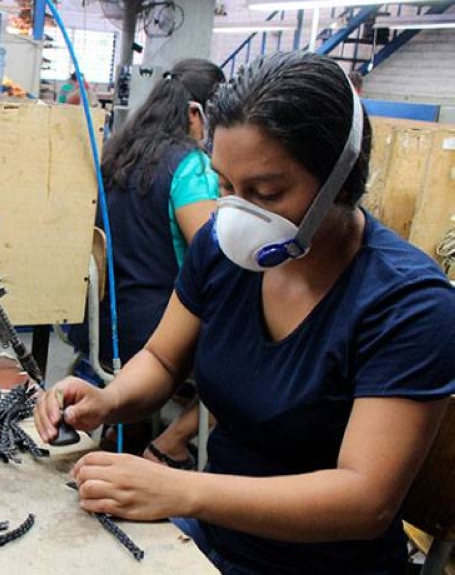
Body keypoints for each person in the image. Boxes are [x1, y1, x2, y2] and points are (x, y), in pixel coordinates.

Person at [36, 51, 455, 573]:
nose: (237, 213)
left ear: (342, 179)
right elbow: (164, 360)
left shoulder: (407, 304)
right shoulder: (223, 248)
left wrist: (183, 490)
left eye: (266, 192)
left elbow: (364, 500)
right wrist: (109, 399)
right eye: (226, 186)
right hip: (213, 539)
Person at [68, 58, 224, 464]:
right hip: (155, 335)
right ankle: (172, 442)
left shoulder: (117, 155)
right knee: (246, 349)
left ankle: (127, 429)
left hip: (99, 325)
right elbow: (215, 251)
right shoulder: (191, 167)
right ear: (195, 113)